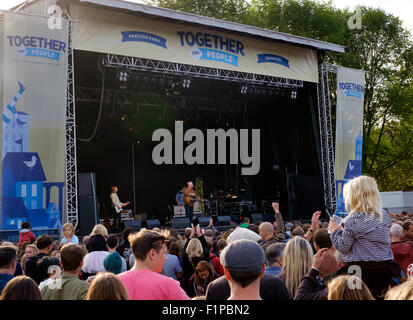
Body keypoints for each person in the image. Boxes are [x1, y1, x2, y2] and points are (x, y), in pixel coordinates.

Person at [329, 175, 394, 299]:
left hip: (358, 271)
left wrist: (334, 231)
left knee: (356, 297)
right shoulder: (384, 216)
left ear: (354, 196)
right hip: (384, 269)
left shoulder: (353, 220)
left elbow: (343, 246)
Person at [118, 229, 189, 300]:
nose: (166, 258)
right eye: (164, 253)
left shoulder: (116, 283)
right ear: (152, 254)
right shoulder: (168, 285)